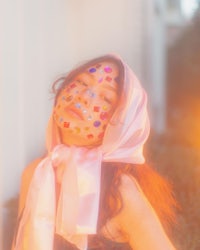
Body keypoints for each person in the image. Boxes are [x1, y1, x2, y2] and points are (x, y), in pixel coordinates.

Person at [12, 54, 177, 250]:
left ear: (119, 123)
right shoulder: (35, 174)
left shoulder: (119, 191)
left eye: (106, 98)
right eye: (81, 82)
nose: (85, 96)